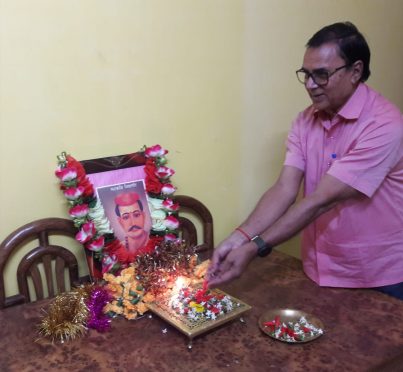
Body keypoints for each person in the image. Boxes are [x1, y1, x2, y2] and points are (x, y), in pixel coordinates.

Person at [207, 22, 403, 300]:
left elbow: (322, 200)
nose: (311, 85)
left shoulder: (385, 124)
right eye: (306, 74)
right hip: (320, 267)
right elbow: (284, 189)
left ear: (355, 71)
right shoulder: (305, 119)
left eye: (322, 75)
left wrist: (254, 247)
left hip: (379, 275)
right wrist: (238, 236)